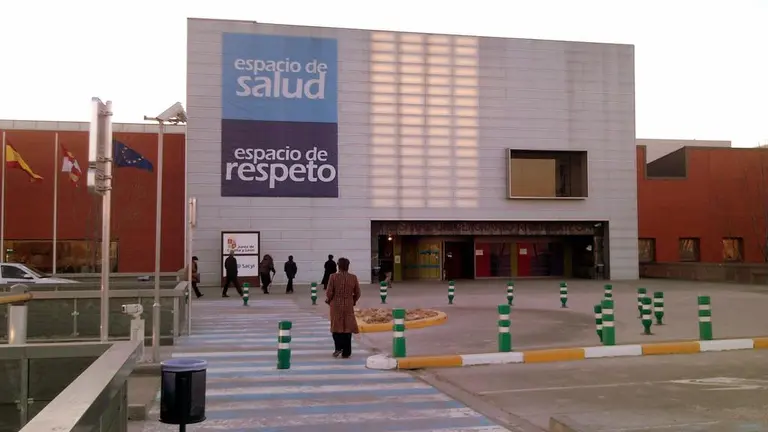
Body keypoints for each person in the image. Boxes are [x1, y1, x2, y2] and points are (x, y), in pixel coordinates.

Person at [325, 257, 360, 359]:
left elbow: (329, 292)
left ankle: (338, 347)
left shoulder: (333, 277)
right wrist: (353, 301)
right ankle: (346, 352)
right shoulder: (353, 277)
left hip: (336, 305)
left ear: (338, 266)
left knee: (336, 326)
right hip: (348, 305)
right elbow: (358, 293)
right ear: (348, 266)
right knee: (347, 327)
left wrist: (329, 300)